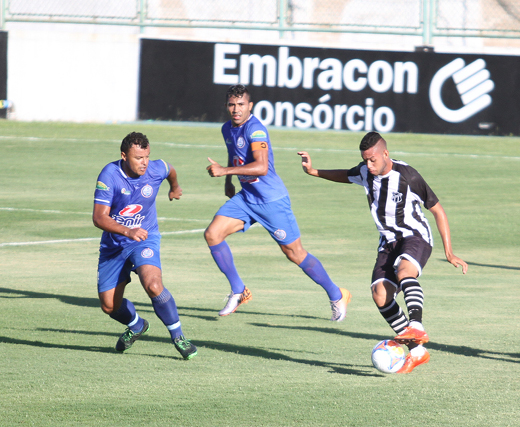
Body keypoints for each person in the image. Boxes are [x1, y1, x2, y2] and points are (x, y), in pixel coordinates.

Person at [298, 132, 468, 373]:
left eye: (373, 160)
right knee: (380, 295)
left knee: (404, 270)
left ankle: (416, 326)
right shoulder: (366, 171)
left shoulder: (408, 176)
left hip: (414, 236)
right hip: (387, 242)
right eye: (365, 160)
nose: (368, 165)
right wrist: (314, 172)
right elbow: (347, 175)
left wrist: (449, 252)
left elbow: (438, 211)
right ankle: (417, 351)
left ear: (385, 154)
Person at [205, 84, 350, 320]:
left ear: (250, 106)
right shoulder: (227, 128)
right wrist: (228, 180)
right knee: (213, 234)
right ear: (226, 106)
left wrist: (224, 171)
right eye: (232, 104)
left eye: (241, 104)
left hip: (271, 200)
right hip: (247, 198)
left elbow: (261, 167)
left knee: (295, 254)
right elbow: (235, 155)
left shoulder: (256, 129)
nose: (236, 109)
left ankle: (337, 294)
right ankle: (239, 290)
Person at [93, 132, 197, 360]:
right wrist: (127, 231)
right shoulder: (109, 175)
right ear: (123, 156)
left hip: (145, 238)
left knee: (153, 284)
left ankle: (179, 337)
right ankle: (137, 325)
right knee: (109, 306)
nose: (144, 162)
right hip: (115, 246)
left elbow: (170, 169)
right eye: (138, 158)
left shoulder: (155, 169)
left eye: (147, 156)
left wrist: (175, 187)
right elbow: (99, 218)